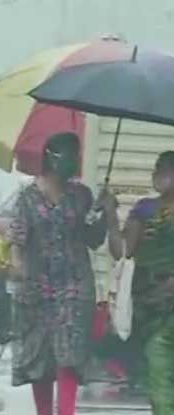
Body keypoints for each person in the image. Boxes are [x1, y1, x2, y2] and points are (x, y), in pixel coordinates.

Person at [8, 132, 108, 415]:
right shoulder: (27, 197)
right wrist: (16, 265)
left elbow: (93, 239)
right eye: (72, 154)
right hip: (37, 286)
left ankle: (66, 411)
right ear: (53, 158)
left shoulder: (81, 195)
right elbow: (17, 237)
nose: (77, 161)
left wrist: (102, 212)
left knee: (69, 354)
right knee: (41, 356)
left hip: (74, 286)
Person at [104, 151, 174, 414]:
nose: (157, 174)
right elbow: (122, 252)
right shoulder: (145, 209)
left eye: (165, 169)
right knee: (157, 377)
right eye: (156, 169)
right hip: (151, 306)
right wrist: (111, 215)